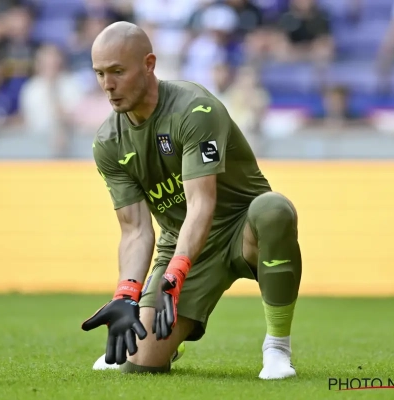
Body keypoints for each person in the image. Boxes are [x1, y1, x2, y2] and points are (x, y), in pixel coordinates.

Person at [81, 21, 302, 380]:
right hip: (181, 243)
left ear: (149, 64)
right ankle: (173, 339)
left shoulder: (194, 109)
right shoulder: (108, 142)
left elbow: (201, 204)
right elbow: (135, 230)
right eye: (100, 73)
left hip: (241, 227)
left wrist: (175, 275)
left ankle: (277, 347)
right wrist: (126, 294)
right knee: (140, 365)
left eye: (118, 72)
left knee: (273, 209)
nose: (107, 85)